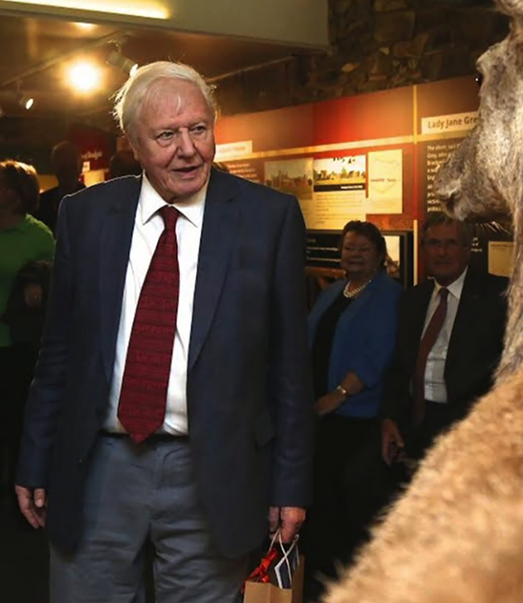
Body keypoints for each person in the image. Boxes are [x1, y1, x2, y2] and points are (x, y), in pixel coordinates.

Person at [15, 61, 314, 603]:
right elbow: (58, 351)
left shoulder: (268, 219)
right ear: (131, 143)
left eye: (199, 129)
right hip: (97, 466)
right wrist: (34, 457)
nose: (189, 149)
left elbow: (290, 368)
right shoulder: (86, 217)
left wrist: (289, 485)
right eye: (167, 135)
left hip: (214, 470)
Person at [346, 213, 508, 551]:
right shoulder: (413, 299)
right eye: (435, 243)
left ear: (467, 249)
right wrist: (389, 418)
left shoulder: (496, 297)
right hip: (412, 422)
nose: (443, 252)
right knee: (357, 487)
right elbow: (398, 366)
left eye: (451, 243)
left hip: (466, 423)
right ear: (424, 249)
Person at [301, 220, 401, 597]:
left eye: (362, 249)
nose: (353, 255)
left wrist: (339, 394)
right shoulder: (335, 291)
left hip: (354, 416)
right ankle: (322, 577)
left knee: (347, 500)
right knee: (321, 496)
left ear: (378, 255)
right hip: (321, 414)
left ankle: (352, 581)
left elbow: (377, 355)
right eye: (348, 248)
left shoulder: (388, 294)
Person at [0, 160, 54, 507]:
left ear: (18, 193)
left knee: (17, 423)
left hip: (17, 345)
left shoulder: (38, 236)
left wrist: (37, 284)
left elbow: (58, 286)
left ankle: (21, 493)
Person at [34, 141, 85, 234]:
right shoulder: (41, 204)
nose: (67, 171)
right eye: (62, 166)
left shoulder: (93, 203)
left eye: (71, 165)